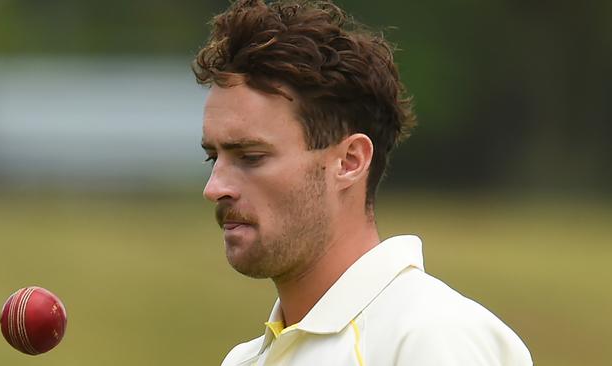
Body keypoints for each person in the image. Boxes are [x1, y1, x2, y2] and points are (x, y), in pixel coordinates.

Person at [193, 0, 533, 365]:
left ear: (349, 161)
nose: (214, 188)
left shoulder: (435, 338)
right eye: (214, 157)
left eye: (251, 157)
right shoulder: (243, 361)